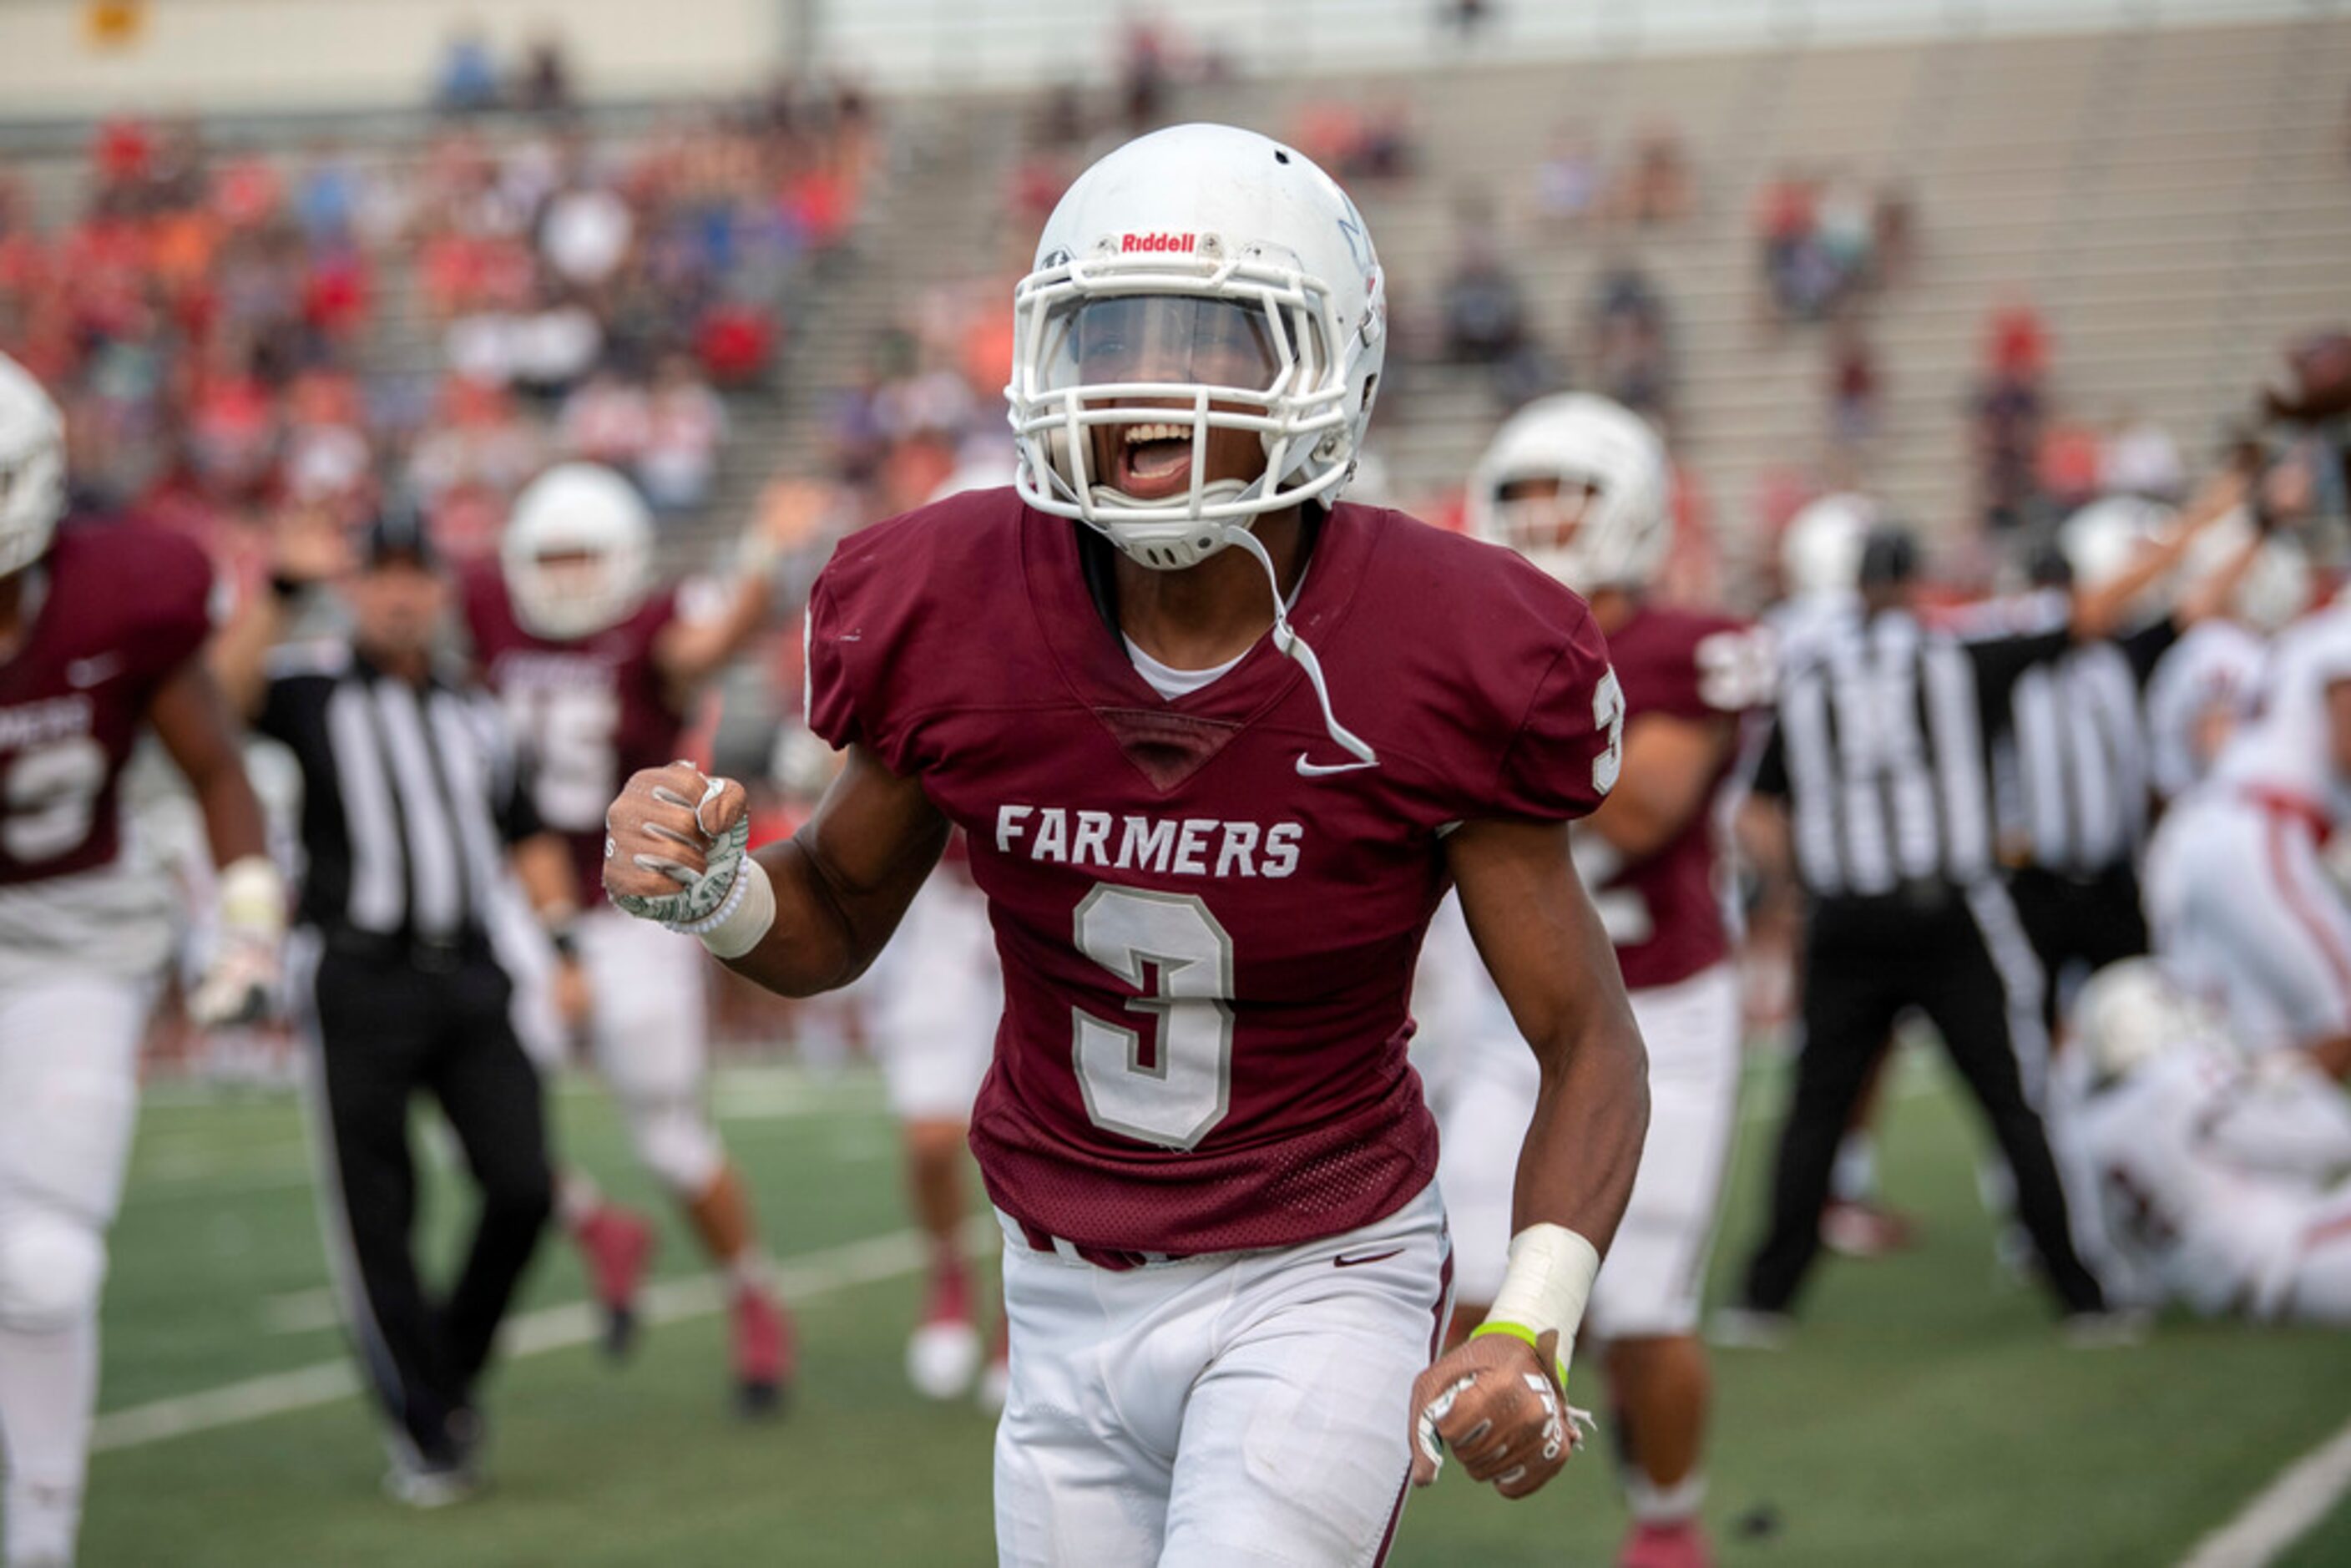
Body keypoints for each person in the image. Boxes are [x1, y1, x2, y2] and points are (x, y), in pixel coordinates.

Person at [602, 124, 1651, 1563]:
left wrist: (1529, 1317)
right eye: (1106, 335)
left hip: (1318, 1274)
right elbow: (837, 911)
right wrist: (716, 891)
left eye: (1209, 337)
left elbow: (1587, 1032)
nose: (1144, 382)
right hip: (1052, 1290)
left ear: (1326, 359)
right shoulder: (953, 596)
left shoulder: (1441, 641)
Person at [1428, 393, 1771, 1568]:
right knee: (1456, 1277)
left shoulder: (1690, 646)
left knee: (1644, 1306)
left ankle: (1668, 1522)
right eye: (1522, 494)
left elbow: (1639, 809)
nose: (1543, 517)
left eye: (1568, 491)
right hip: (1506, 1015)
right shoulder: (1462, 631)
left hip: (1659, 1012)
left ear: (1628, 503)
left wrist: (1477, 716)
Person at [211, 506, 571, 1505]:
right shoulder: (311, 688)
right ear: (354, 587)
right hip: (361, 976)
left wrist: (561, 934)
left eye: (419, 574)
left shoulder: (472, 708)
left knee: (524, 1186)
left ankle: (445, 1370)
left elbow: (524, 828)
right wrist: (279, 591)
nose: (403, 592)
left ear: (444, 590)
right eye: (383, 574)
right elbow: (215, 697)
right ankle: (428, 1430)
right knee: (380, 1215)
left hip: (472, 971)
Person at [0, 354, 283, 1568]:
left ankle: (42, 1537)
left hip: (77, 936)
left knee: (48, 1264)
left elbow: (217, 765)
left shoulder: (123, 588)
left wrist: (250, 918)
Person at [1718, 524, 2121, 1345]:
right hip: (1945, 918)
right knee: (2011, 1103)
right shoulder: (1958, 658)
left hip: (1842, 920)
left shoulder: (1808, 676)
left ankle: (1763, 1299)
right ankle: (2080, 1294)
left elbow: (1756, 811)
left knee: (1814, 1112)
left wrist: (1798, 886)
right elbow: (2084, 621)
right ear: (1911, 583)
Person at [463, 461, 799, 1409]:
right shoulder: (489, 604)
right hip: (525, 897)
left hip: (636, 905)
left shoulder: (651, 626)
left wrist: (762, 565)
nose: (566, 577)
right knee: (474, 1122)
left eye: (584, 557)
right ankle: (597, 1228)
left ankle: (753, 1297)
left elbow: (707, 649)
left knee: (671, 1138)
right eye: (551, 557)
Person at [2049, 959, 2351, 1323]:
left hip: (2231, 1290)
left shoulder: (2091, 1131)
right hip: (2291, 1252)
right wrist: (2292, 1083)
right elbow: (2333, 1139)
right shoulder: (2179, 1083)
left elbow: (2118, 1258)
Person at [2142, 609, 2351, 1080]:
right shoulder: (2340, 633)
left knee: (2261, 1045)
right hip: (2260, 828)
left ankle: (2231, 1141)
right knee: (2342, 1013)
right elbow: (2347, 743)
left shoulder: (2308, 635)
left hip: (2221, 829)